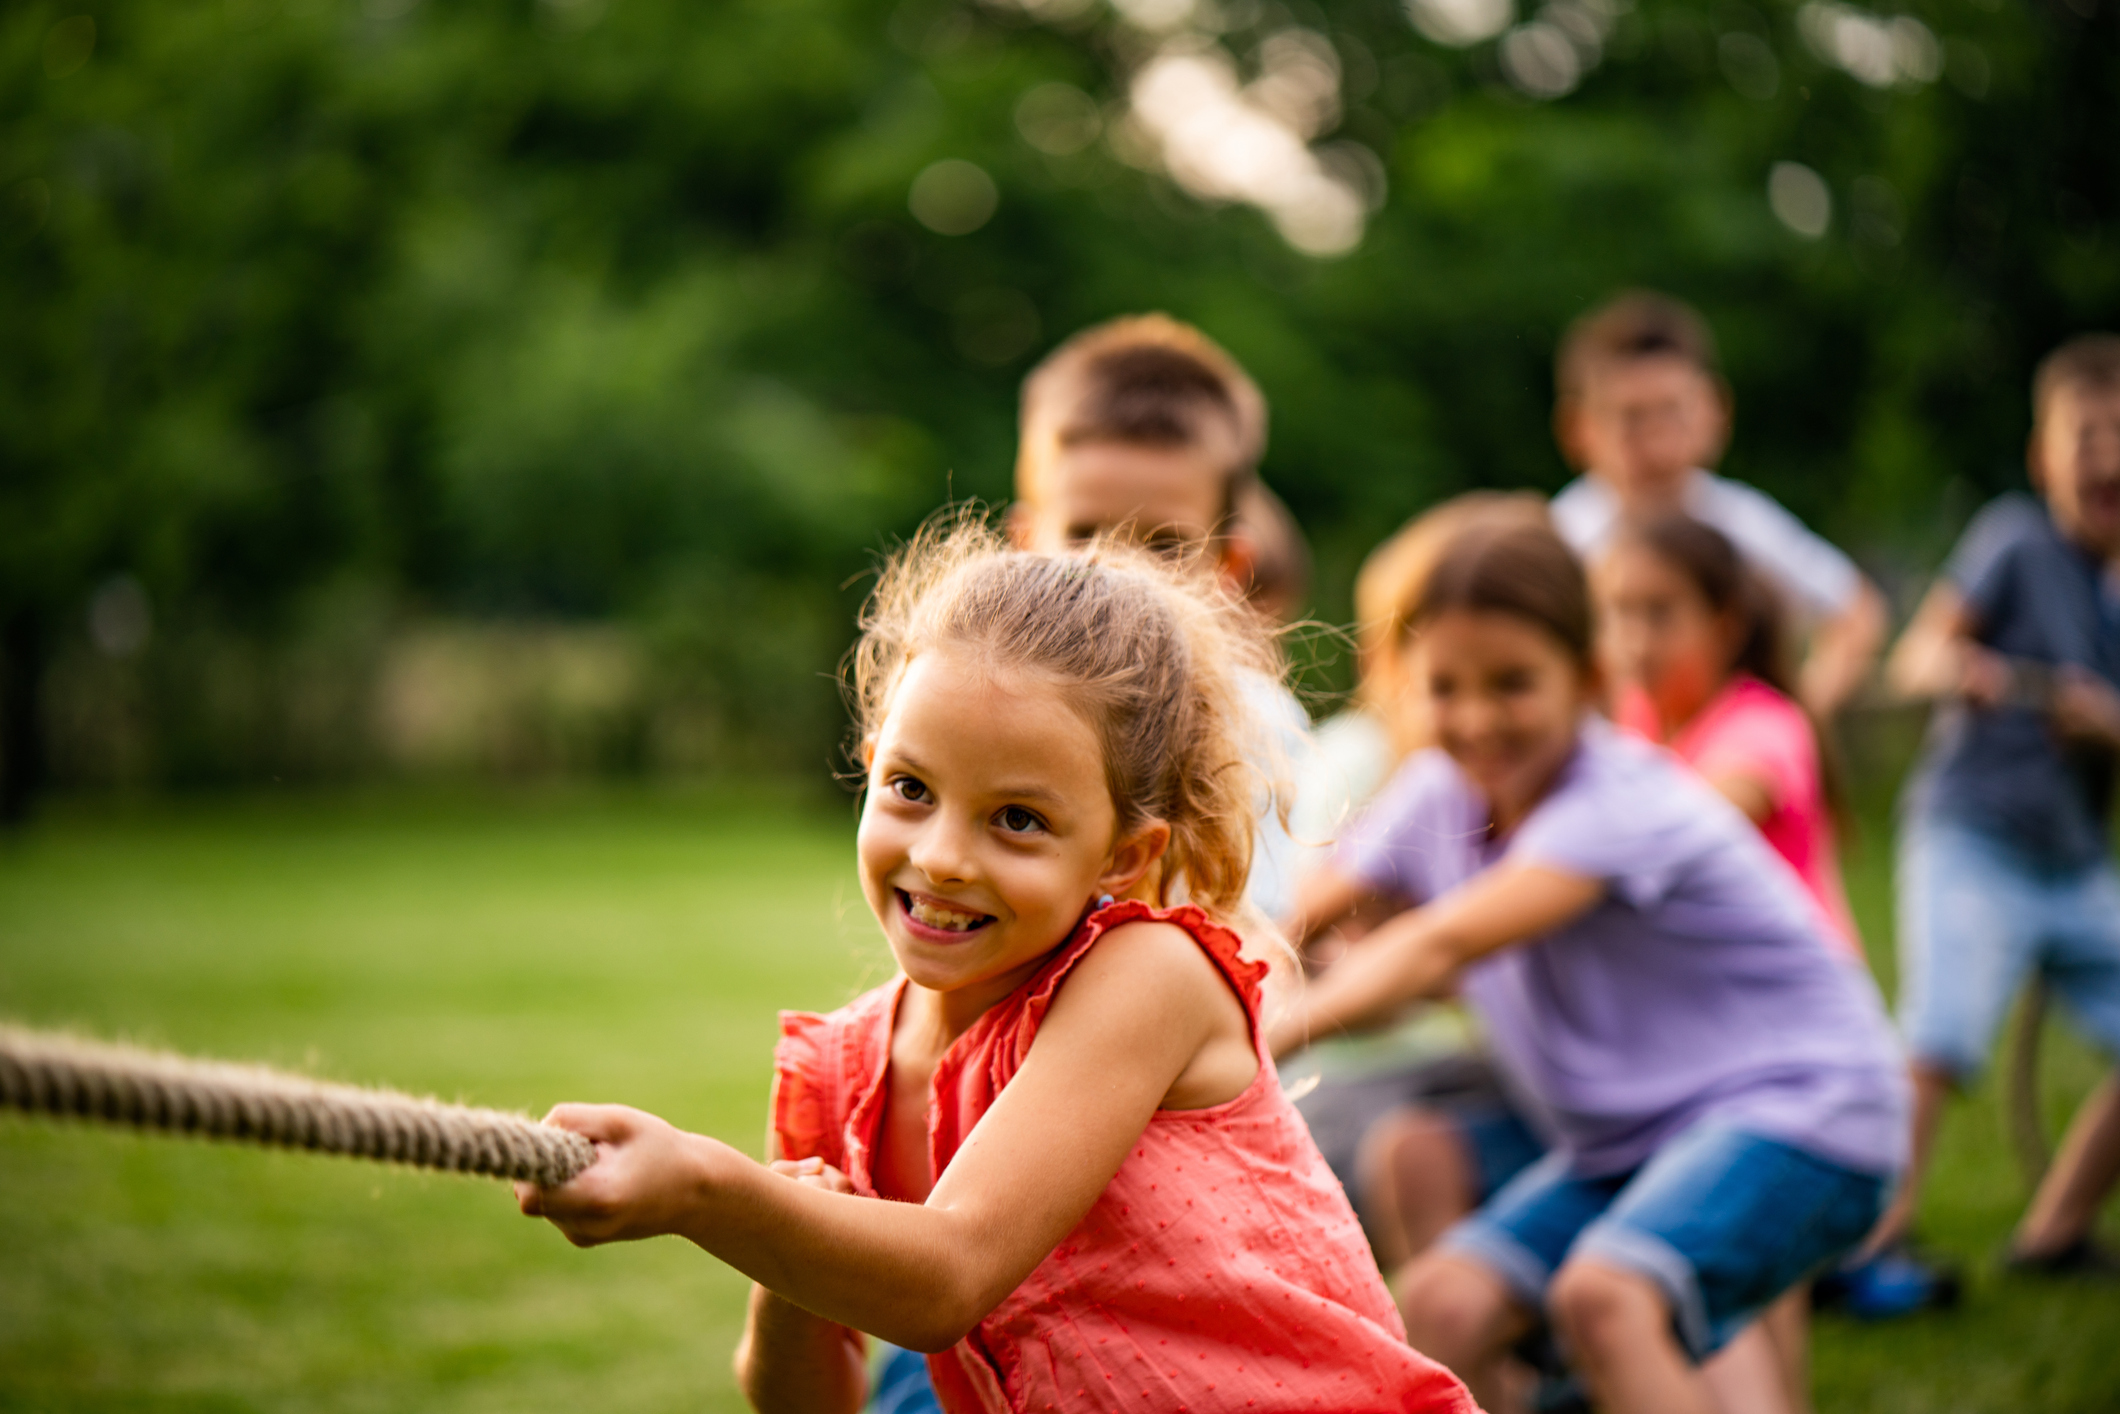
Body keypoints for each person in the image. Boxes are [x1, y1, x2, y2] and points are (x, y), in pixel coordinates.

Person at [515, 517, 1476, 1414]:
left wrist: (704, 1189)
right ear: (867, 762)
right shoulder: (842, 1072)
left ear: (1123, 857)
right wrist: (789, 1257)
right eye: (910, 788)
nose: (940, 855)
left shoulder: (1151, 976)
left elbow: (950, 1275)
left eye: (1017, 818)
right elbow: (809, 1399)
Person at [1273, 519, 1908, 1414]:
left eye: (1514, 683)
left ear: (1589, 678)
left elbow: (1440, 944)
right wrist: (1222, 991)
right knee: (1440, 1306)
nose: (1478, 718)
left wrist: (1262, 1041)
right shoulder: (1437, 792)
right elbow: (1300, 917)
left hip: (1804, 1109)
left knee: (1608, 1296)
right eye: (1445, 687)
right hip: (1628, 1142)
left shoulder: (1618, 796)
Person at [1869, 332, 2120, 1281]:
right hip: (1973, 835)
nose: (2107, 456)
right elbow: (1918, 656)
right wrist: (1960, 669)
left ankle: (2055, 1230)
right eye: (2084, 436)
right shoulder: (2015, 540)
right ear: (2042, 458)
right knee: (1938, 1034)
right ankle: (1870, 1240)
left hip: (2077, 859)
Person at [1010, 312, 1311, 923]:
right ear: (1023, 542)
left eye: (1165, 545)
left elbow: (1249, 938)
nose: (1120, 571)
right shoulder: (988, 700)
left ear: (1228, 566)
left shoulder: (1252, 728)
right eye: (1083, 533)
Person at [1548, 291, 1888, 719]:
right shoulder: (1560, 541)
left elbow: (1855, 613)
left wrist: (1789, 724)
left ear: (1715, 411)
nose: (1657, 442)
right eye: (1632, 418)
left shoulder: (1741, 523)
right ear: (1578, 429)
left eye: (1672, 412)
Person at [1597, 513, 1863, 961]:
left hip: (1792, 995)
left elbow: (1685, 833)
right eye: (1621, 612)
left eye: (1660, 614)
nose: (1636, 641)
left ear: (1725, 625)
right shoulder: (1636, 716)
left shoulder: (1765, 726)